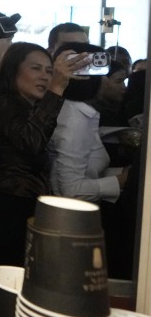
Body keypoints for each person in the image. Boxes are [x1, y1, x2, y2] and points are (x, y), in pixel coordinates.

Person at [0, 42, 84, 266]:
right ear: (13, 70)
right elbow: (30, 141)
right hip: (6, 210)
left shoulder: (29, 108)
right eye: (35, 69)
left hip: (24, 208)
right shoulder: (5, 104)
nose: (44, 77)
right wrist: (56, 90)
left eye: (49, 71)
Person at [48, 43, 128, 204]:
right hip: (71, 219)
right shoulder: (75, 119)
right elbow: (70, 190)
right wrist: (121, 180)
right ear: (88, 78)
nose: (106, 81)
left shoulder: (77, 111)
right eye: (102, 73)